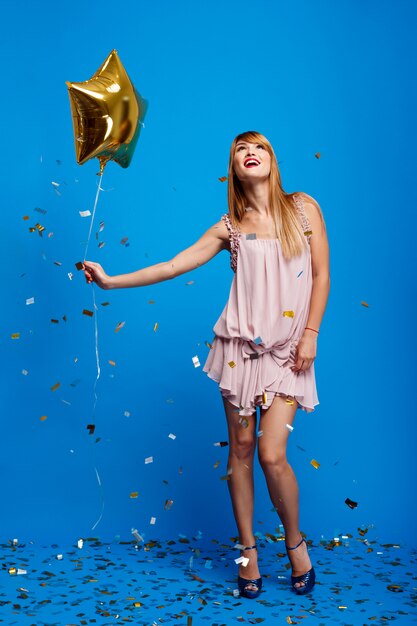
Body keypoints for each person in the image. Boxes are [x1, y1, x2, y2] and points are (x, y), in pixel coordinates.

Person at [82, 130, 330, 599]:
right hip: (238, 352)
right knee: (239, 451)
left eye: (258, 147)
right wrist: (111, 282)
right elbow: (175, 264)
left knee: (272, 454)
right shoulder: (229, 227)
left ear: (273, 159)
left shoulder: (304, 208)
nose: (250, 153)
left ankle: (295, 543)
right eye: (241, 149)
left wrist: (312, 334)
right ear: (233, 167)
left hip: (288, 351)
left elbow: (321, 275)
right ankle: (248, 551)